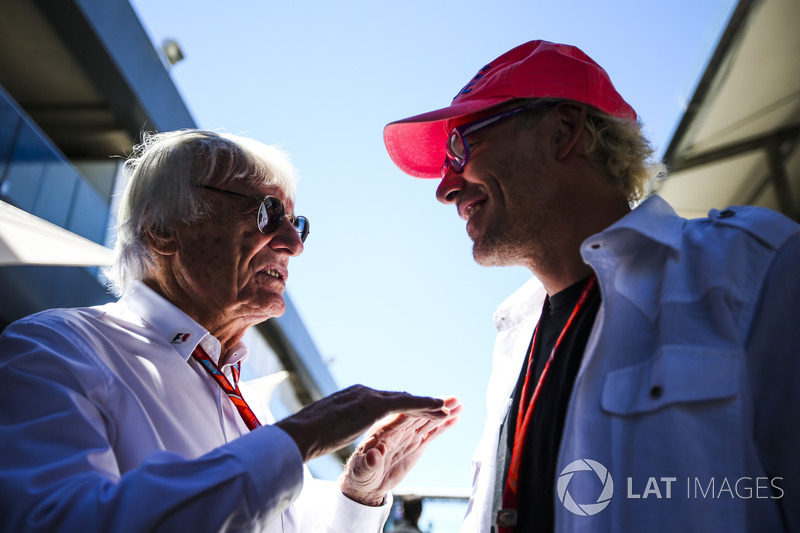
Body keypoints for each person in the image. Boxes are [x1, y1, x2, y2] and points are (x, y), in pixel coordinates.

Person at [383, 40, 799, 532]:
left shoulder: (750, 267)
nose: (444, 188)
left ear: (563, 132)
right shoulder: (513, 343)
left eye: (461, 147)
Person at [0, 129, 461, 532]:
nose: (294, 245)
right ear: (164, 230)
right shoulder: (57, 350)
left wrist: (359, 497)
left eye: (296, 223)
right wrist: (299, 436)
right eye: (266, 214)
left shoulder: (249, 404)